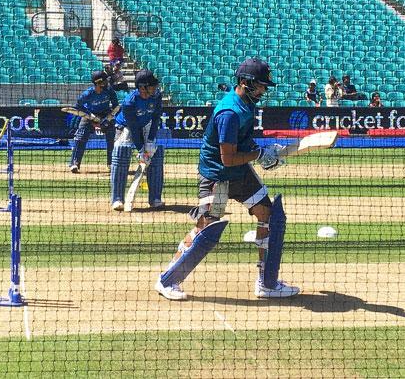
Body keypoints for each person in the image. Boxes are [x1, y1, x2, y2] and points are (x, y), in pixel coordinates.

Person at [154, 58, 300, 301]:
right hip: (217, 176)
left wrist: (266, 152)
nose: (264, 91)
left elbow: (242, 143)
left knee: (268, 214)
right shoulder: (229, 112)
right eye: (261, 86)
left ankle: (267, 283)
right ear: (245, 83)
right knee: (206, 228)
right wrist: (260, 155)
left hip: (240, 173)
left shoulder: (246, 104)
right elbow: (228, 158)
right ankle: (167, 280)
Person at [110, 70, 164, 211]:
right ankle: (117, 199)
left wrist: (151, 141)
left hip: (146, 124)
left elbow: (156, 118)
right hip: (126, 126)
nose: (155, 88)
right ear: (142, 87)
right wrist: (141, 150)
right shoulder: (129, 102)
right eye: (151, 86)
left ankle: (155, 199)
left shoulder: (157, 96)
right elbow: (133, 128)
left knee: (156, 155)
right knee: (121, 152)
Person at [69, 71, 119, 173]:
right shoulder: (88, 94)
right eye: (105, 81)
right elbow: (78, 106)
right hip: (89, 115)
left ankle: (111, 163)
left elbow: (116, 106)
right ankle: (74, 163)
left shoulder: (109, 90)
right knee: (80, 137)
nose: (107, 82)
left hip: (106, 115)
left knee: (111, 138)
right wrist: (91, 117)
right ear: (99, 83)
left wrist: (108, 118)